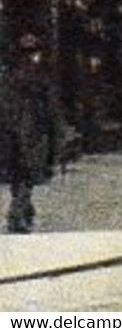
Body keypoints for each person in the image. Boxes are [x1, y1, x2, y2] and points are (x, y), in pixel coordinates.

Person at [3, 38, 56, 234]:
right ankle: (17, 214)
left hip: (9, 134)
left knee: (18, 176)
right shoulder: (39, 78)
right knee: (28, 175)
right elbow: (49, 109)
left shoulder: (8, 77)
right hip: (32, 133)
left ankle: (25, 210)